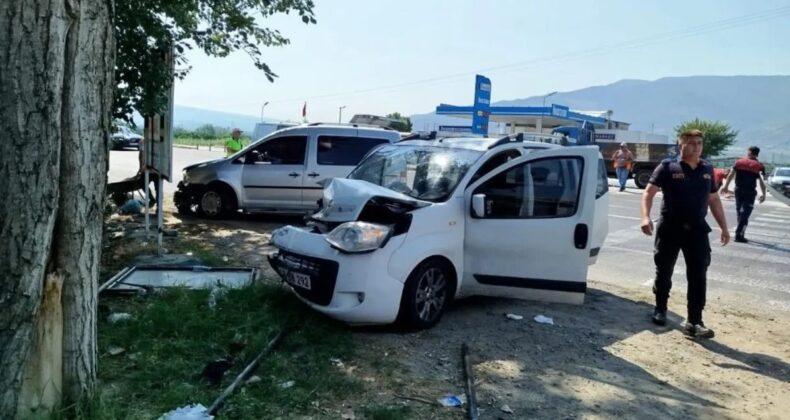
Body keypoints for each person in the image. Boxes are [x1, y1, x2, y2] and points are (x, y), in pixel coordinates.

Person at [640, 129, 729, 339]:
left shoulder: (707, 168)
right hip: (670, 227)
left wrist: (724, 227)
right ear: (681, 145)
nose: (696, 146)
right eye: (691, 143)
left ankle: (694, 321)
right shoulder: (668, 167)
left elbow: (714, 199)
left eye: (699, 143)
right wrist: (645, 217)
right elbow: (648, 193)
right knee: (664, 268)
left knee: (698, 273)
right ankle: (660, 308)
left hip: (697, 229)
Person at [721, 146, 766, 243]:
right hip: (750, 192)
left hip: (738, 190)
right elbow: (762, 181)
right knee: (745, 214)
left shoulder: (739, 162)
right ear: (757, 154)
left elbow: (731, 174)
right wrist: (764, 194)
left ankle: (740, 233)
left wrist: (726, 186)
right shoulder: (759, 166)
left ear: (749, 152)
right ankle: (739, 235)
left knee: (740, 212)